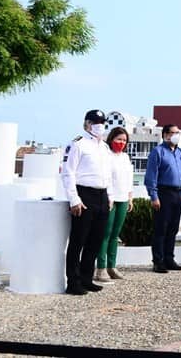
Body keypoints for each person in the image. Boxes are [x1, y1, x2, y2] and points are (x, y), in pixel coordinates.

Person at [61, 109, 113, 295]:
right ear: (86, 124)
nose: (99, 126)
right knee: (78, 240)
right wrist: (74, 199)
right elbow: (68, 173)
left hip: (102, 195)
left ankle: (86, 278)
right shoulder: (77, 144)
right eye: (95, 122)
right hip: (84, 194)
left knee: (95, 241)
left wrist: (110, 196)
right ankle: (73, 282)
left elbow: (108, 174)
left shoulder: (104, 147)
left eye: (102, 122)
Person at [144, 124, 181, 273]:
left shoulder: (180, 152)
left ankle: (169, 258)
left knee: (173, 229)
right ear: (165, 135)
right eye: (173, 133)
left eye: (178, 132)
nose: (176, 135)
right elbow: (151, 176)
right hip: (164, 193)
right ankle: (158, 261)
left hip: (178, 193)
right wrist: (154, 196)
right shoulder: (158, 152)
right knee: (161, 228)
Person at [94, 127, 133, 282]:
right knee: (105, 233)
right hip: (109, 199)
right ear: (111, 139)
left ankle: (112, 266)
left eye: (124, 140)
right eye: (118, 139)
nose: (121, 143)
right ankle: (101, 268)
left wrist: (130, 197)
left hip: (123, 198)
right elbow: (105, 177)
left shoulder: (125, 157)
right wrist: (108, 197)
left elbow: (129, 178)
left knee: (115, 235)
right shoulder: (106, 155)